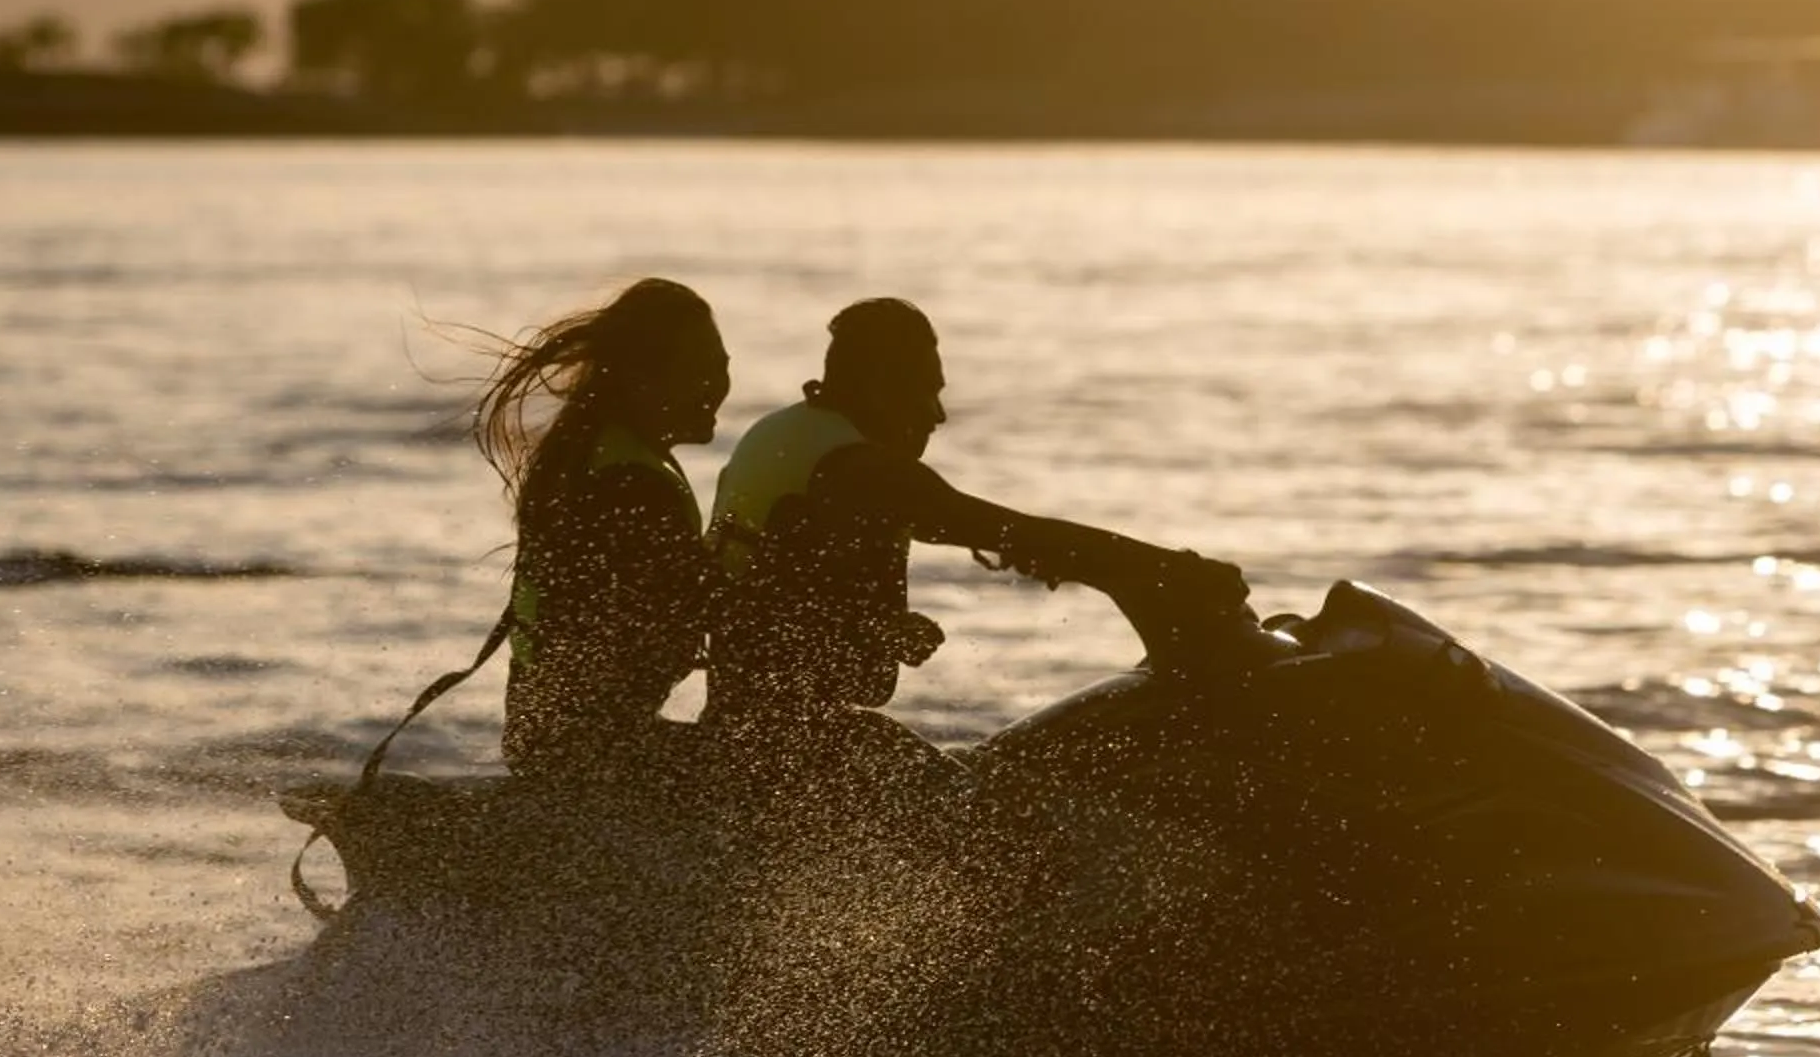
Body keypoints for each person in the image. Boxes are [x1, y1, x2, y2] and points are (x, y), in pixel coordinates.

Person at [705, 298, 1247, 784]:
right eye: (926, 393)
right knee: (1029, 839)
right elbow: (1013, 531)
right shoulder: (863, 472)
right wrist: (1175, 571)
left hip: (744, 732)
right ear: (879, 387)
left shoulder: (779, 434)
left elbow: (775, 595)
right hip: (796, 753)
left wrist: (869, 627)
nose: (937, 415)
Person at [467, 277, 732, 788]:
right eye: (702, 370)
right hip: (597, 757)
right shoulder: (632, 483)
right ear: (644, 379)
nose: (716, 386)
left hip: (548, 741)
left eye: (722, 369)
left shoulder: (591, 451)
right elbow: (700, 607)